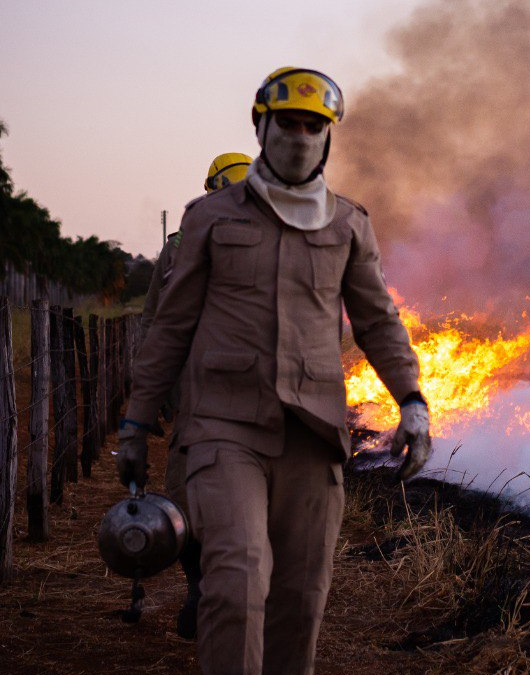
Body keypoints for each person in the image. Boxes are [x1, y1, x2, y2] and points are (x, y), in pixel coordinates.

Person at [117, 67, 432, 675]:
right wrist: (134, 422)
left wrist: (412, 401)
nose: (299, 137)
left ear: (329, 137)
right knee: (234, 581)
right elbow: (171, 326)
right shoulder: (209, 219)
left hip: (313, 437)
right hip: (222, 429)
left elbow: (379, 323)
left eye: (314, 126)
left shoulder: (348, 224)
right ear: (261, 127)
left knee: (301, 598)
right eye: (286, 123)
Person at [137, 151, 253, 641]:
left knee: (219, 501)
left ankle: (221, 595)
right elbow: (155, 323)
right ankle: (201, 591)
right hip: (209, 399)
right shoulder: (183, 247)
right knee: (194, 500)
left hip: (236, 400)